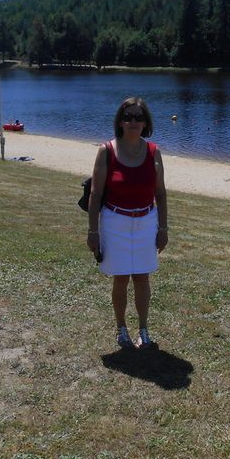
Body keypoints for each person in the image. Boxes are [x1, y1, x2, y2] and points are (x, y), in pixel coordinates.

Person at [87, 97, 168, 350]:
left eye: (138, 117)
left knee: (142, 277)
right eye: (128, 116)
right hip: (114, 221)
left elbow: (161, 193)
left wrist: (163, 228)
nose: (133, 121)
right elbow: (95, 194)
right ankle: (121, 329)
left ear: (146, 123)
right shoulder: (106, 151)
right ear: (120, 122)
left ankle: (143, 329)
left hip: (146, 222)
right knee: (121, 278)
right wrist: (93, 232)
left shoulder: (154, 151)